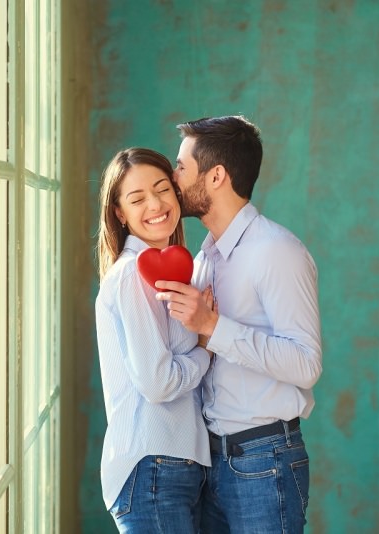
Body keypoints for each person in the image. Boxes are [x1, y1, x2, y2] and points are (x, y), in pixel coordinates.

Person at [155, 115, 322, 533]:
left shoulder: (276, 251)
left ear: (215, 176)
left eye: (181, 167)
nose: (172, 178)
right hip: (213, 461)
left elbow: (307, 364)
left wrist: (214, 325)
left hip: (266, 463)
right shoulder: (203, 259)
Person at [95, 147, 213, 534]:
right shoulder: (131, 274)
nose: (155, 204)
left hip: (172, 466)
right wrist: (206, 349)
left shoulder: (179, 271)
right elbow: (157, 383)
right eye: (137, 198)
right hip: (153, 468)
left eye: (162, 188)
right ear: (119, 212)